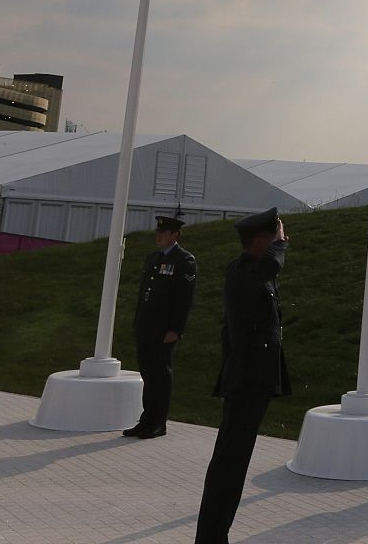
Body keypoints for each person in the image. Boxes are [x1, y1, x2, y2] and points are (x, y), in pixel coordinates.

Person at [194, 208, 289, 544]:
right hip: (246, 381)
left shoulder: (249, 272)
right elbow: (271, 265)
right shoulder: (245, 271)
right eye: (274, 237)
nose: (281, 241)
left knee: (232, 462)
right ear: (261, 241)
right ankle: (211, 536)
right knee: (229, 464)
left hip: (250, 379)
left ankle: (215, 535)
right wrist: (280, 245)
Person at [124, 213, 197, 439]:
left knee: (161, 375)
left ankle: (158, 422)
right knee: (148, 374)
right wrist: (138, 322)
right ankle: (146, 419)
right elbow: (144, 294)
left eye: (163, 232)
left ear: (175, 235)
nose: (158, 236)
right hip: (146, 326)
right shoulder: (152, 258)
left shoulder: (184, 260)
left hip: (164, 330)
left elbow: (184, 299)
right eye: (157, 232)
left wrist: (176, 329)